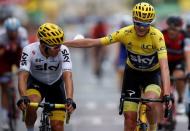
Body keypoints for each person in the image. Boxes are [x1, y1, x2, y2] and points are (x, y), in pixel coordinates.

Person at [64, 2, 172, 131]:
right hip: (132, 74)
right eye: (138, 23)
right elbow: (95, 42)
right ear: (133, 21)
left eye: (145, 24)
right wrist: (62, 43)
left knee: (149, 102)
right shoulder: (125, 33)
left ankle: (153, 127)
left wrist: (167, 94)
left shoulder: (157, 36)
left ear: (150, 23)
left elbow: (164, 67)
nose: (141, 28)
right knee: (129, 118)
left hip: (152, 75)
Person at [16, 23, 76, 131]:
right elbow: (22, 76)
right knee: (31, 105)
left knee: (57, 127)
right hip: (36, 83)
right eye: (56, 46)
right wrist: (23, 96)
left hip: (56, 85)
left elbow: (68, 76)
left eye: (60, 45)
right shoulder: (29, 50)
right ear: (44, 45)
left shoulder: (63, 50)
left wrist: (70, 99)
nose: (59, 48)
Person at [0, 17, 28, 130]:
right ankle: (5, 119)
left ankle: (21, 100)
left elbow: (26, 53)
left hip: (17, 56)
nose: (13, 34)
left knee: (25, 75)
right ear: (6, 31)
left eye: (14, 31)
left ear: (18, 30)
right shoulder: (1, 36)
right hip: (4, 59)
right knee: (5, 89)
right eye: (10, 32)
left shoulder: (22, 33)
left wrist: (24, 69)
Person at [162, 16, 190, 114]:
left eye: (175, 29)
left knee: (179, 76)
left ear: (180, 29)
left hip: (179, 61)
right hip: (165, 62)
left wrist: (189, 71)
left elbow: (187, 54)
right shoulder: (162, 34)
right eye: (170, 29)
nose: (172, 32)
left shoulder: (185, 36)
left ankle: (180, 99)